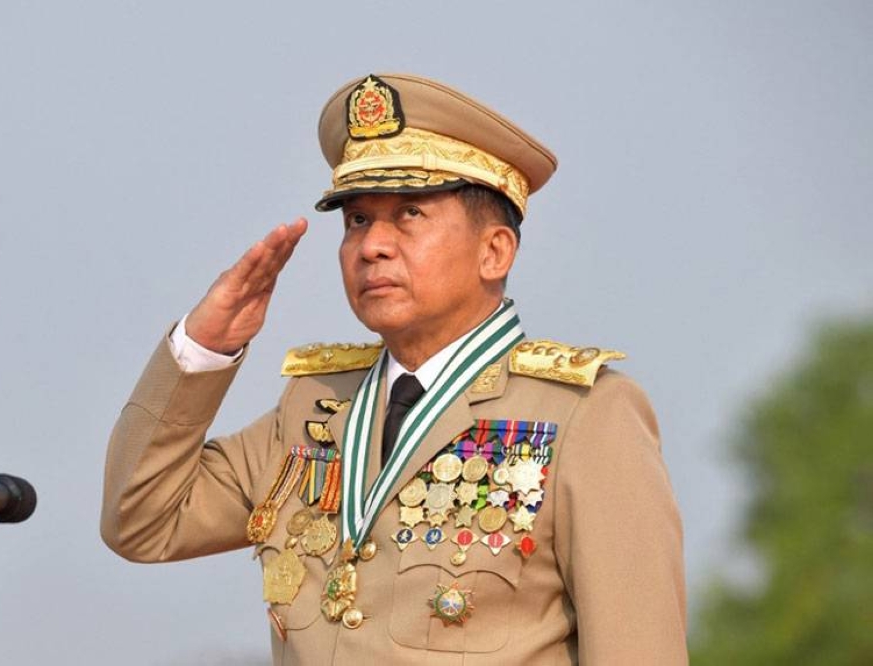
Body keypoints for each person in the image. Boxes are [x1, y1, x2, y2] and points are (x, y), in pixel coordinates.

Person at [101, 73, 687, 665]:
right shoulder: (314, 408)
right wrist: (203, 349)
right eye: (357, 220)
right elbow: (143, 520)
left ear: (495, 251)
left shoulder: (583, 417)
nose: (372, 245)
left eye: (409, 213)